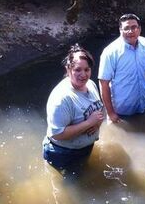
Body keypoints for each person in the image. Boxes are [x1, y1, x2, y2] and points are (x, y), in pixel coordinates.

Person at [43, 43, 104, 177]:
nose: (83, 74)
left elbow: (98, 109)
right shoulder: (62, 99)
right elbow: (57, 134)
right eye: (78, 70)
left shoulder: (91, 84)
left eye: (87, 70)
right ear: (68, 69)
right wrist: (89, 123)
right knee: (70, 189)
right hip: (63, 153)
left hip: (83, 148)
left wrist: (97, 123)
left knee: (84, 178)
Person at [98, 13, 145, 123]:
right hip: (122, 112)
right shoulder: (110, 52)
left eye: (134, 27)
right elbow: (103, 84)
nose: (130, 31)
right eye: (126, 28)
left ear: (139, 29)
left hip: (144, 104)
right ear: (120, 30)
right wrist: (111, 113)